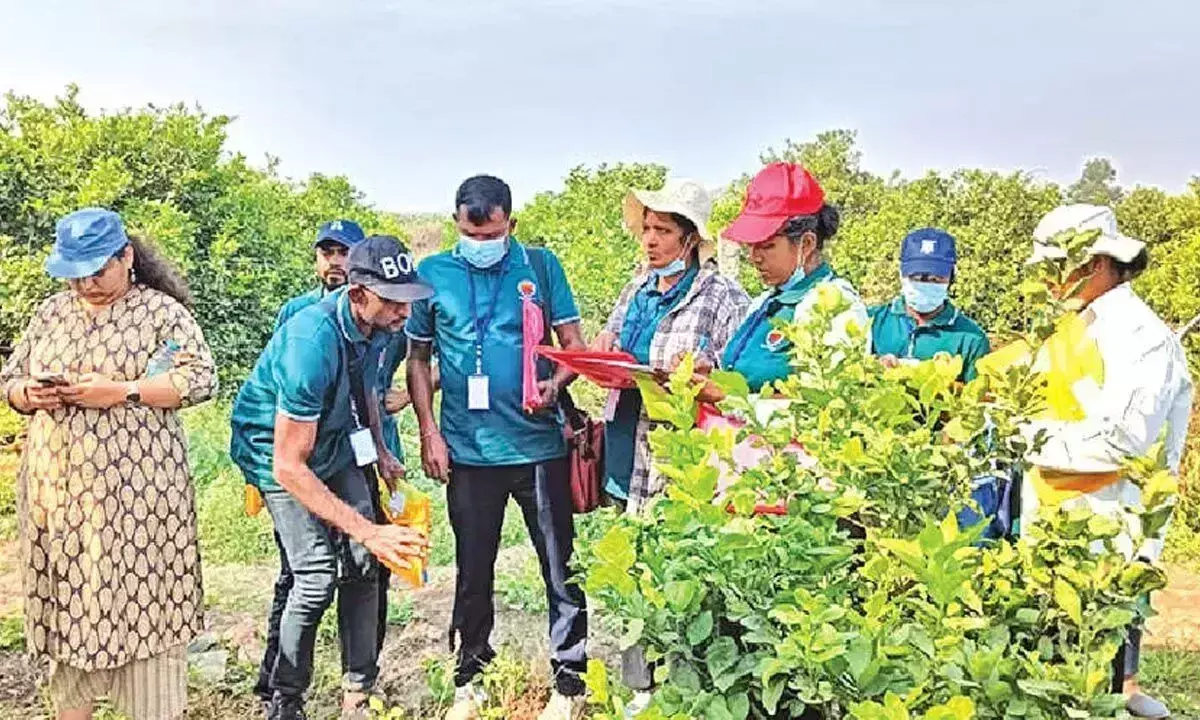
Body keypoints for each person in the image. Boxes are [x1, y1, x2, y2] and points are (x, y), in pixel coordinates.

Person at [1, 208, 218, 720]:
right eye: (76, 274)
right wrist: (29, 395)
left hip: (142, 504)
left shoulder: (162, 315)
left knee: (146, 609)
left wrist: (121, 392)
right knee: (75, 616)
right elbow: (8, 380)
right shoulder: (51, 314)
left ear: (127, 257)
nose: (87, 284)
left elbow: (199, 380)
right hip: (63, 506)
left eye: (99, 270)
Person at [406, 175, 589, 720]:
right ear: (455, 224)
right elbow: (418, 359)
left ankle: (569, 680)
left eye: (490, 234)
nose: (480, 244)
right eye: (469, 233)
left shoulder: (540, 265)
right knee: (472, 568)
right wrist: (427, 430)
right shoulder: (433, 274)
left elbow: (573, 346)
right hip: (467, 450)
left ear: (511, 222)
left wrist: (555, 386)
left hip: (538, 449)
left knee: (561, 568)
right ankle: (471, 674)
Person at [231, 235, 432, 720]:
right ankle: (285, 699)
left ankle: (357, 695)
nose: (405, 313)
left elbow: (364, 384)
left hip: (336, 439)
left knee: (367, 563)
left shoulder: (377, 323)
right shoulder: (310, 342)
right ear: (359, 293)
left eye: (409, 299)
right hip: (276, 453)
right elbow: (289, 464)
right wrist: (366, 527)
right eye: (394, 301)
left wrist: (381, 451)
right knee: (316, 575)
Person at [1017, 204, 1193, 719]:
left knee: (1096, 669)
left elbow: (1123, 439)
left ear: (1092, 263)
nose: (1048, 281)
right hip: (1061, 513)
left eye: (1056, 267)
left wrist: (1020, 437)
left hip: (1110, 518)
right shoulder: (1077, 326)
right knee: (1055, 668)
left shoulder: (1140, 337)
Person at [592, 178, 748, 514]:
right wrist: (603, 348)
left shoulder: (723, 297)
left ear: (690, 238)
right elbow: (612, 340)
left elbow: (737, 387)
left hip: (683, 462)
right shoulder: (635, 290)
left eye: (662, 231)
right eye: (646, 228)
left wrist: (695, 378)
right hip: (626, 448)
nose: (649, 240)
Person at [714, 162, 869, 398]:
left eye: (767, 246)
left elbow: (828, 400)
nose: (754, 257)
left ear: (806, 244)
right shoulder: (764, 303)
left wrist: (724, 396)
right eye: (751, 246)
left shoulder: (833, 305)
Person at [868, 228, 990, 382]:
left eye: (934, 279)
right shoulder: (872, 321)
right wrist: (875, 368)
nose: (924, 284)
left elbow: (979, 397)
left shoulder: (971, 339)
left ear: (952, 278)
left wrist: (938, 383)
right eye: (916, 277)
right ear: (901, 274)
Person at [275, 219, 366, 327]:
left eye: (344, 253)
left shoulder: (376, 311)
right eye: (326, 253)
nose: (334, 262)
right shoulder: (296, 310)